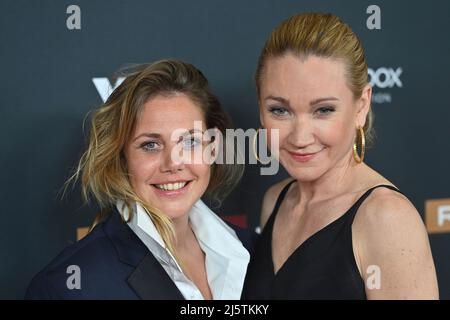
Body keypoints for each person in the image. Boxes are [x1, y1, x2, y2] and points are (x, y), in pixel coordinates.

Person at [242, 13, 438, 299]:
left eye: (323, 110)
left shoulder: (386, 219)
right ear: (261, 108)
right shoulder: (276, 199)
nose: (299, 137)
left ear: (361, 107)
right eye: (279, 110)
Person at [26, 59, 251, 299]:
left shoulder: (251, 249)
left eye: (190, 141)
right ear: (121, 157)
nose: (173, 163)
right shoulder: (66, 287)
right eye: (151, 145)